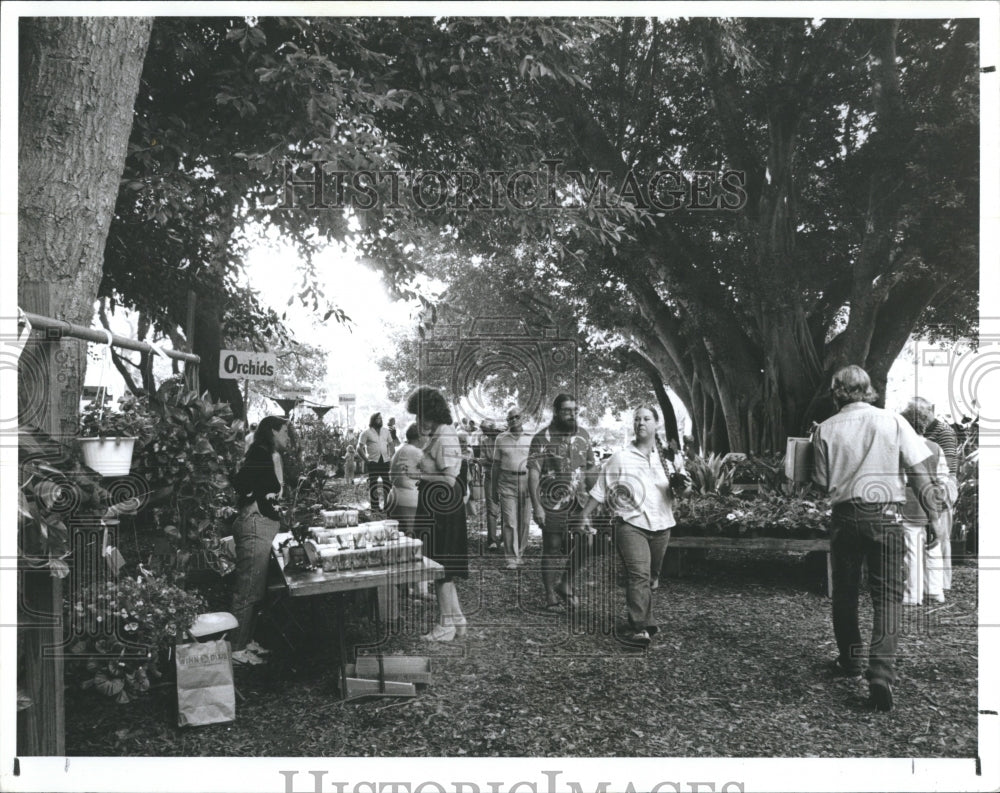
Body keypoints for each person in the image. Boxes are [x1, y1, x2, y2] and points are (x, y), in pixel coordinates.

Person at [812, 365, 943, 711]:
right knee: (887, 597)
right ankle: (881, 674)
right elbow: (919, 472)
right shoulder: (894, 422)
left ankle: (850, 660)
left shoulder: (825, 429)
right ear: (869, 389)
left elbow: (822, 482)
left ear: (836, 392)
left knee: (845, 592)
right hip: (887, 515)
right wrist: (934, 518)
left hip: (845, 517)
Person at [579, 406, 689, 645]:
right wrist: (585, 515)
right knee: (639, 575)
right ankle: (639, 628)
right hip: (630, 524)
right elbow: (600, 489)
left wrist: (683, 488)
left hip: (662, 525)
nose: (641, 422)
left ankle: (645, 620)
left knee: (650, 578)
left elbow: (680, 489)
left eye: (646, 418)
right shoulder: (621, 457)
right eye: (637, 419)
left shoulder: (668, 459)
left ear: (656, 424)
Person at [407, 386, 469, 641]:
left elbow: (449, 479)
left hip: (443, 508)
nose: (417, 421)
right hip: (436, 506)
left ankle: (446, 627)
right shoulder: (439, 434)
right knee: (441, 567)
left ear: (430, 413)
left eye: (419, 415)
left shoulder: (445, 436)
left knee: (440, 569)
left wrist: (419, 475)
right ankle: (457, 619)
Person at [230, 416, 290, 664]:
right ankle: (235, 649)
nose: (288, 437)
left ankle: (245, 640)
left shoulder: (265, 453)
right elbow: (241, 483)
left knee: (256, 589)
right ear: (273, 432)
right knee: (247, 589)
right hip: (255, 525)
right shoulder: (260, 454)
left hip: (262, 525)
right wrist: (253, 499)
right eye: (285, 432)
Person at [528, 394, 597, 611]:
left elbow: (591, 468)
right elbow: (533, 474)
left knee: (587, 542)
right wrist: (536, 506)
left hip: (580, 501)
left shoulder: (584, 435)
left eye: (575, 411)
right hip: (552, 502)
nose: (572, 415)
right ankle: (550, 596)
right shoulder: (541, 438)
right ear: (556, 412)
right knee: (552, 547)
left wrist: (599, 497)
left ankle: (565, 583)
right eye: (567, 411)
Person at [902, 397, 959, 590]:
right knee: (933, 539)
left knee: (937, 537)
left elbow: (949, 469)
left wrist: (939, 495)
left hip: (937, 488)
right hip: (934, 487)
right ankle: (934, 589)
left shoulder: (944, 432)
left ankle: (939, 584)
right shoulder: (931, 443)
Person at [492, 406, 534, 569]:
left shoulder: (532, 437)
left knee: (524, 521)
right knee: (509, 521)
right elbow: (495, 465)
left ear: (523, 418)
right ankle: (511, 557)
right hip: (506, 482)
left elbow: (538, 463)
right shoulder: (500, 438)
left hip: (526, 481)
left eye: (516, 417)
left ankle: (520, 553)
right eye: (510, 418)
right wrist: (492, 489)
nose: (513, 420)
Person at [387, 423, 425, 538]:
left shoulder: (400, 449)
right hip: (408, 498)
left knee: (395, 534)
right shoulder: (417, 452)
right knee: (410, 534)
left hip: (394, 495)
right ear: (420, 437)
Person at [358, 412, 392, 511]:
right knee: (373, 484)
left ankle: (388, 505)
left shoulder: (386, 431)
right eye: (377, 418)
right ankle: (375, 507)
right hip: (373, 461)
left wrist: (391, 457)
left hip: (385, 461)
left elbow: (391, 445)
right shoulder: (366, 432)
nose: (380, 420)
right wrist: (366, 460)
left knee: (387, 484)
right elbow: (359, 448)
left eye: (381, 418)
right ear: (373, 420)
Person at [478, 419, 502, 551]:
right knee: (491, 509)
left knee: (505, 509)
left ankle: (505, 538)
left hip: (504, 477)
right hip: (489, 477)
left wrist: (490, 462)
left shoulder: (503, 438)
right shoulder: (484, 441)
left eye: (486, 431)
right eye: (483, 431)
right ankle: (492, 540)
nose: (485, 433)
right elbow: (482, 460)